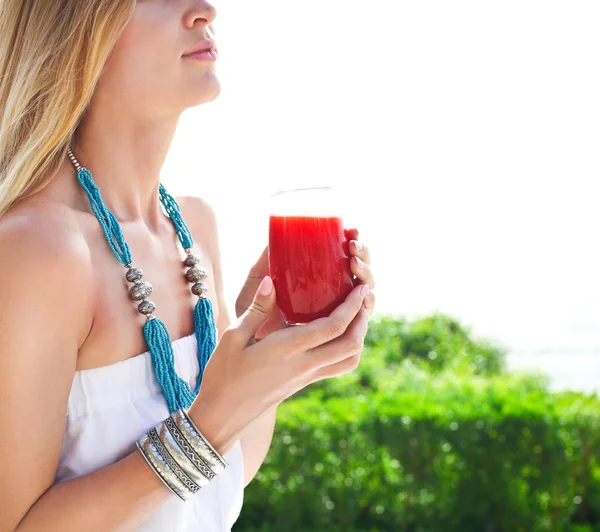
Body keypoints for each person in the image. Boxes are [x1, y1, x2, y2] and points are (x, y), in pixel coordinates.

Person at [0, 1, 376, 531]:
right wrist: (210, 420)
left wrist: (268, 347)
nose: (205, 9)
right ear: (75, 27)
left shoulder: (193, 228)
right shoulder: (40, 250)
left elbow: (223, 474)